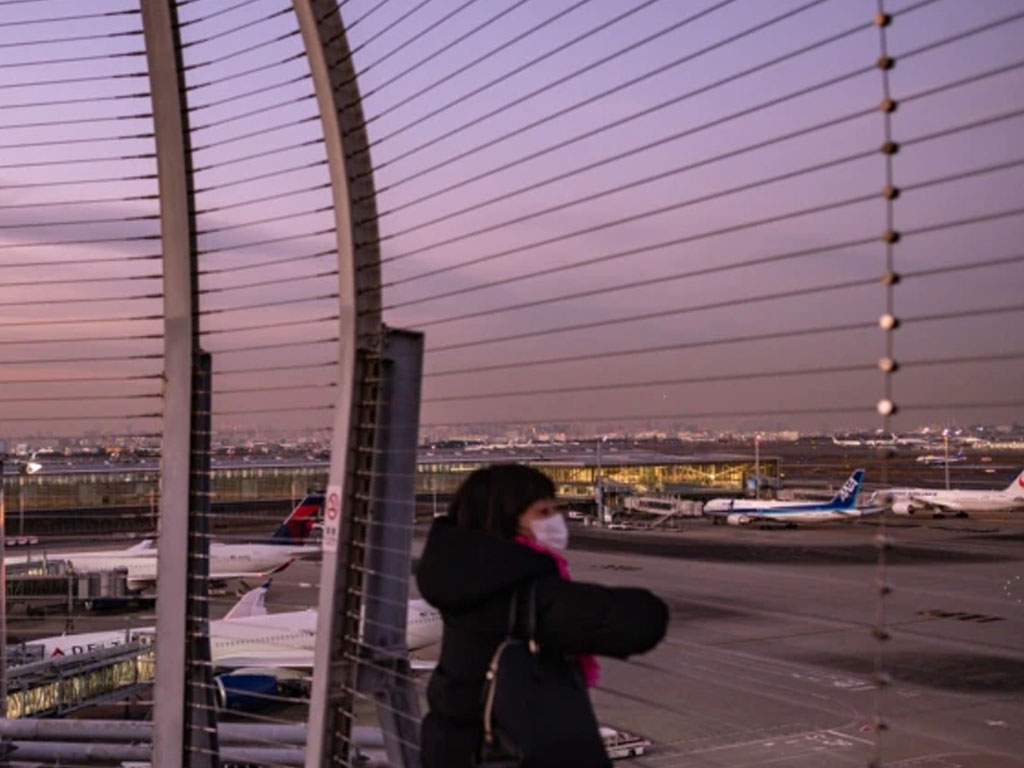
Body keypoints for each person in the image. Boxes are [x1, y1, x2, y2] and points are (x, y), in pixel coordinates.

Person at [417, 464, 669, 768]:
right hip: (513, 749)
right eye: (543, 513)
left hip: (453, 747)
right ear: (507, 519)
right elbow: (642, 622)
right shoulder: (517, 589)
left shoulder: (460, 573)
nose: (556, 522)